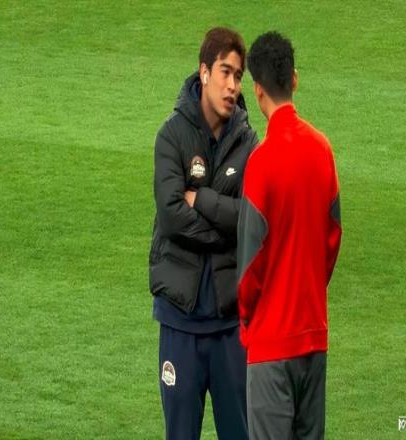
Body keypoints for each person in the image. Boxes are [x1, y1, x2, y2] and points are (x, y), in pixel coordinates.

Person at [149, 27, 258, 440]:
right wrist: (225, 233)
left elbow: (250, 218)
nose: (232, 86)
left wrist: (204, 201)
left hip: (230, 326)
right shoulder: (171, 136)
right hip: (181, 322)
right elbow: (172, 216)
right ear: (204, 72)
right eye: (225, 72)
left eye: (239, 76)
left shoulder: (249, 144)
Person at [237, 31, 342, 440]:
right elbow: (332, 238)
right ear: (294, 79)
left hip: (271, 345)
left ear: (257, 89)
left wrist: (249, 321)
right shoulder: (323, 150)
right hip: (313, 339)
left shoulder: (261, 162)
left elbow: (250, 265)